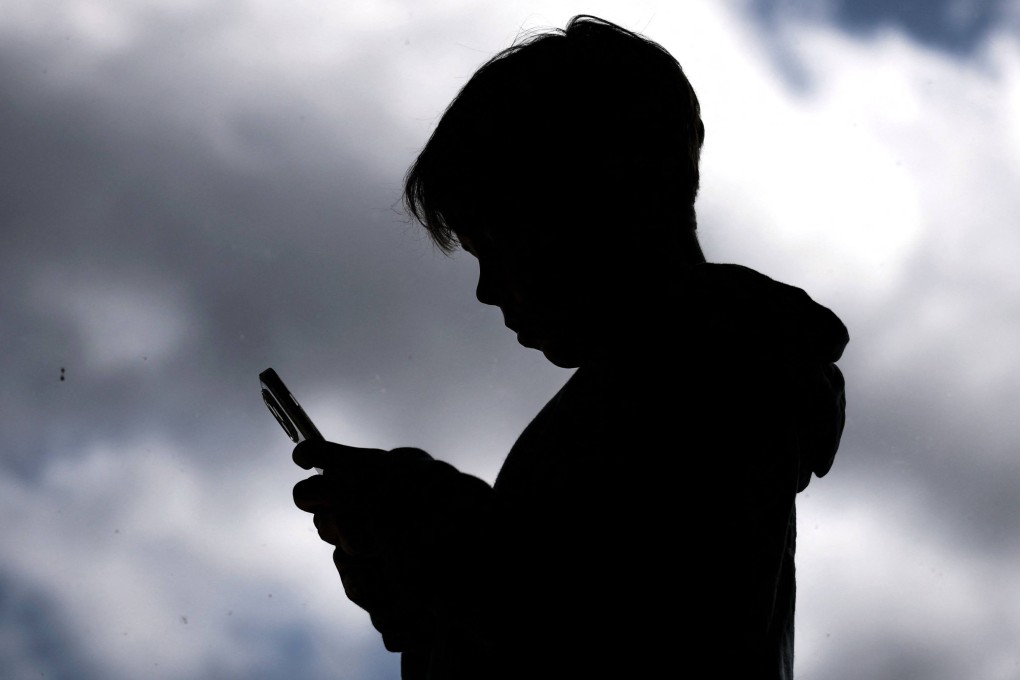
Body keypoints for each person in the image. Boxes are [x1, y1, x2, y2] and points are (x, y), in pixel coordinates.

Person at [292, 14, 848, 680]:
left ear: (600, 210)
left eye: (499, 247)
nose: (487, 291)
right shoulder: (710, 379)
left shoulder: (687, 398)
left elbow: (613, 641)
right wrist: (432, 584)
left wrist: (445, 546)